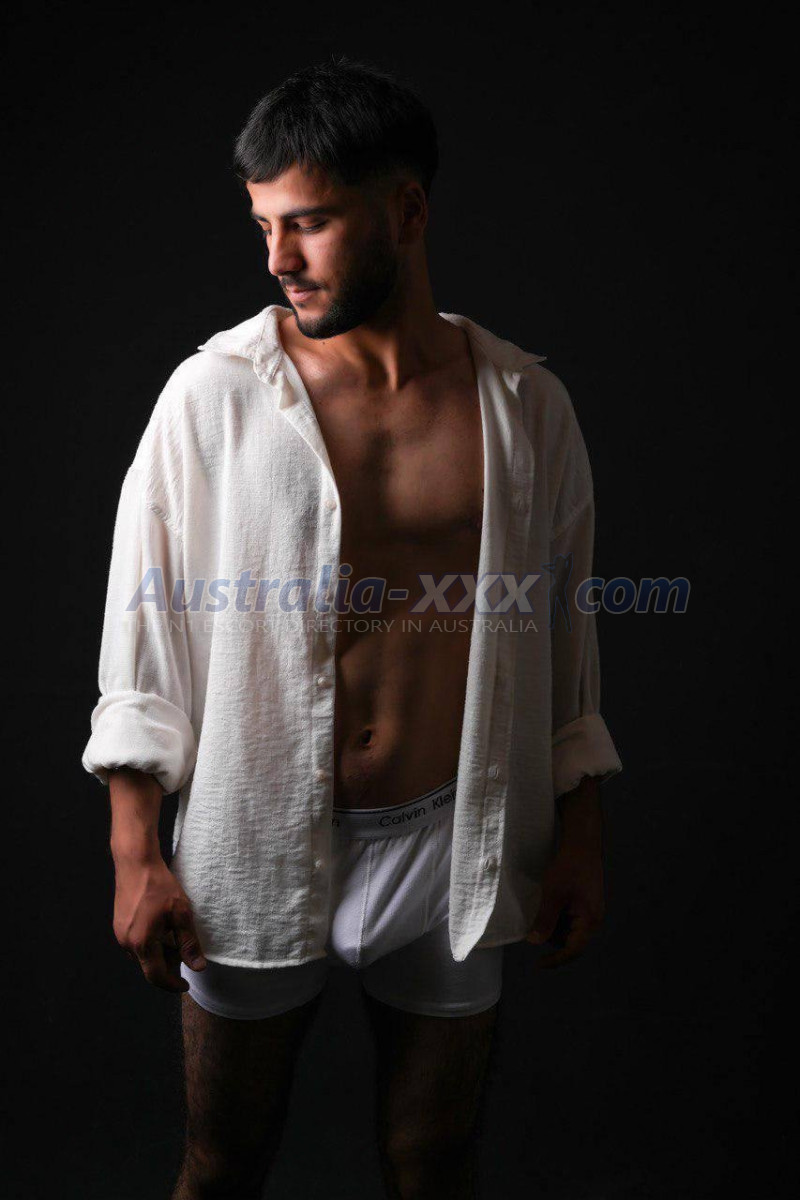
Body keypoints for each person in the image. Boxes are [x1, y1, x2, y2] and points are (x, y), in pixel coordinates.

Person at [82, 56, 623, 1200]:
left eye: (310, 223)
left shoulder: (522, 406)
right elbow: (145, 633)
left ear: (406, 212)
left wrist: (578, 831)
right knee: (221, 1162)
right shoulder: (214, 396)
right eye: (264, 226)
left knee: (432, 1163)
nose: (277, 260)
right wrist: (137, 852)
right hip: (253, 835)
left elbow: (562, 635)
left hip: (449, 841)